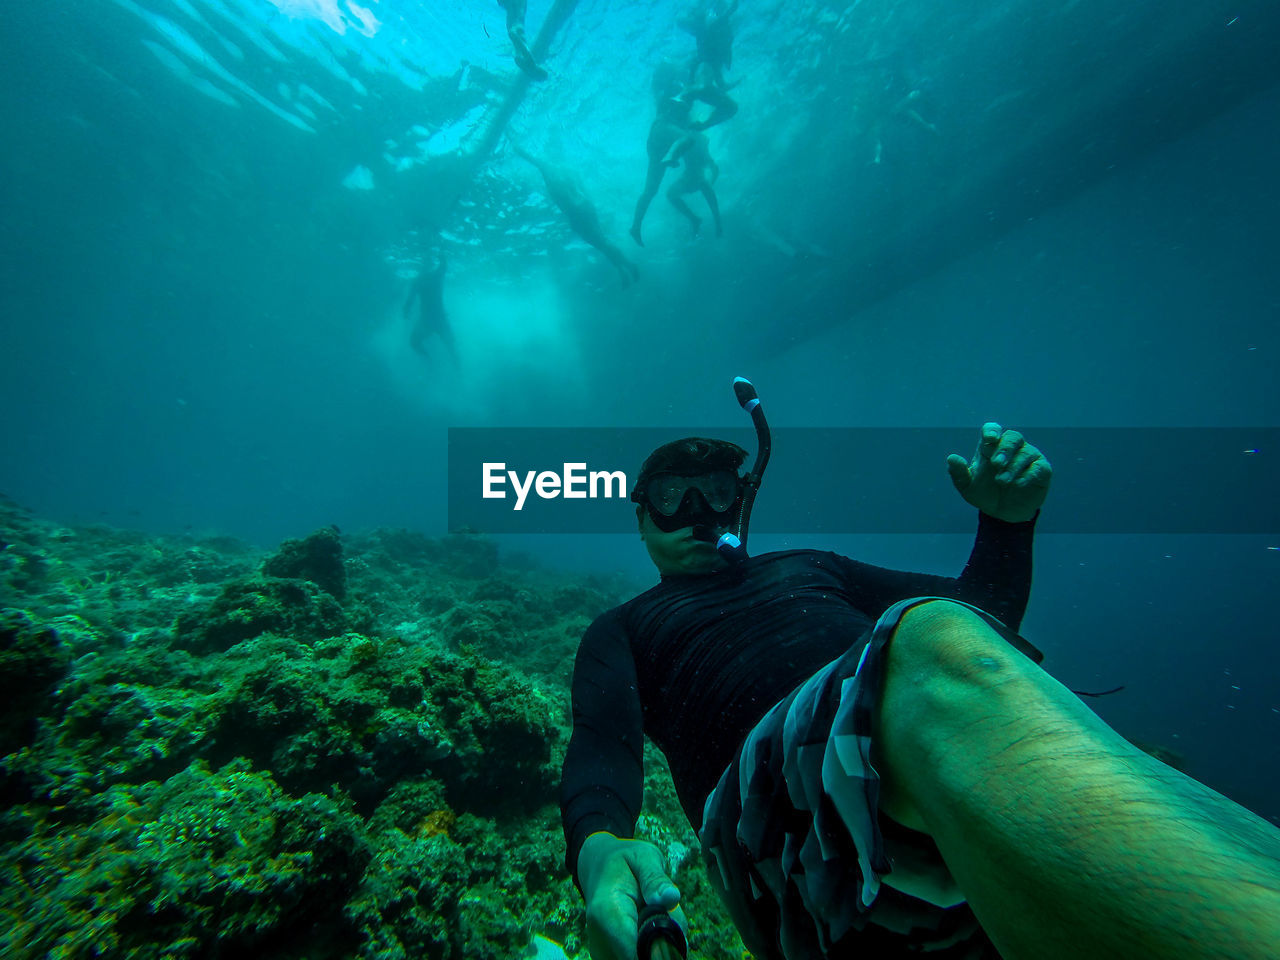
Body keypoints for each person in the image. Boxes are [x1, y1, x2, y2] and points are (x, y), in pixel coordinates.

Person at [561, 427, 1280, 960]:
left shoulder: (812, 564)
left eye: (718, 491)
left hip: (928, 829)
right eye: (669, 498)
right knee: (936, 636)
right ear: (639, 516)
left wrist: (1006, 523)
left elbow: (985, 614)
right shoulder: (623, 628)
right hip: (775, 852)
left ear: (742, 500)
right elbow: (603, 742)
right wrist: (598, 848)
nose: (697, 510)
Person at [512, 143, 640, 285]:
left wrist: (514, 144)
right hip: (585, 207)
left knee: (601, 242)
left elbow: (529, 157)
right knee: (601, 241)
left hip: (575, 211)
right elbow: (585, 191)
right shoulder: (570, 169)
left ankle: (629, 265)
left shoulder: (547, 167)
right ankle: (622, 269)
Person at [662, 131, 722, 239]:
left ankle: (716, 223)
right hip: (688, 177)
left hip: (699, 178)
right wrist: (672, 159)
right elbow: (714, 168)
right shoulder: (685, 141)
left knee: (707, 192)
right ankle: (695, 219)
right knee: (670, 194)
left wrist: (711, 182)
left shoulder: (699, 145)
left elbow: (714, 168)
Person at [677, 0, 740, 91]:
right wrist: (732, 8)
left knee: (706, 64)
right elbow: (725, 16)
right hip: (709, 50)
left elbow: (725, 16)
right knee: (704, 64)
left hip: (711, 50)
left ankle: (693, 83)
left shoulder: (708, 23)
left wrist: (732, 8)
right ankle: (692, 84)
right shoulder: (703, 24)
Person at [403, 256, 457, 361]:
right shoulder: (435, 277)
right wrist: (441, 254)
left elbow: (410, 300)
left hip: (428, 319)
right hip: (438, 318)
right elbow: (444, 266)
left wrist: (406, 310)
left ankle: (430, 361)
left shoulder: (419, 281)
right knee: (451, 348)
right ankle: (456, 369)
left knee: (414, 342)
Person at [497, 0, 547, 81]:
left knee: (517, 11)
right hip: (516, 28)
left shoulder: (528, 65)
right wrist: (513, 34)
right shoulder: (530, 64)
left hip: (516, 26)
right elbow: (521, 45)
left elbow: (515, 35)